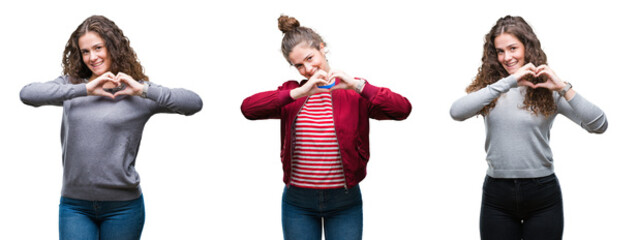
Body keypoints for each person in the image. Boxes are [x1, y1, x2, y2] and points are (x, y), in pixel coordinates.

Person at [19, 15, 203, 240]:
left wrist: (143, 90)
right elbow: (27, 94)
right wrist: (85, 89)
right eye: (85, 51)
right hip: (75, 207)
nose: (92, 57)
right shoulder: (72, 86)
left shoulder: (136, 91)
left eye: (98, 48)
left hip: (123, 208)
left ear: (113, 47)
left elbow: (194, 103)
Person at [240, 15, 412, 240]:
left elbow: (402, 110)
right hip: (297, 203)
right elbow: (248, 109)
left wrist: (359, 86)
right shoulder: (292, 94)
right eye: (299, 65)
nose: (308, 69)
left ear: (322, 48)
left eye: (310, 58)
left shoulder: (353, 92)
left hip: (345, 202)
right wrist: (300, 91)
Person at [449, 15, 608, 240]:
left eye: (513, 48)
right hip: (497, 195)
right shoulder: (493, 89)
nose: (507, 57)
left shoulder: (548, 88)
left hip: (542, 194)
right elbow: (456, 112)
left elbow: (599, 124)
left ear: (527, 46)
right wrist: (509, 82)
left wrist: (562, 87)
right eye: (500, 51)